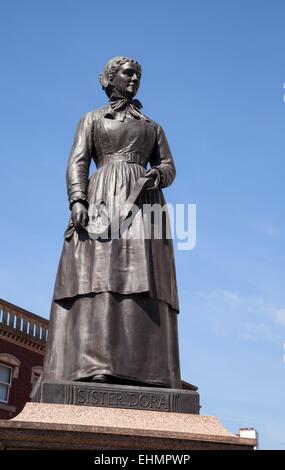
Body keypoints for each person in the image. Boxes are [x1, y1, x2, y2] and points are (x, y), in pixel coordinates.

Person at [42, 56, 181, 389]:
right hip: (103, 194)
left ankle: (149, 369)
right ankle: (96, 363)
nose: (134, 78)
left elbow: (170, 167)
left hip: (145, 202)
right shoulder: (91, 120)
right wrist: (77, 200)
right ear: (109, 78)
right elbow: (77, 163)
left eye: (138, 74)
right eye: (128, 73)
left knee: (143, 280)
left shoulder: (152, 126)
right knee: (101, 275)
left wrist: (157, 175)